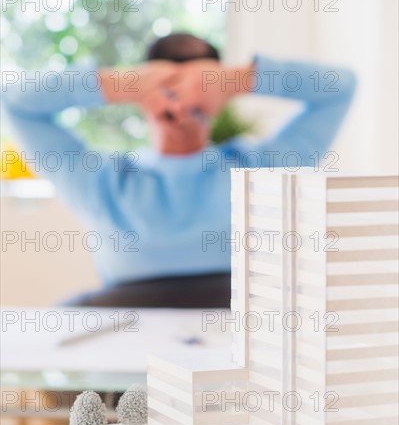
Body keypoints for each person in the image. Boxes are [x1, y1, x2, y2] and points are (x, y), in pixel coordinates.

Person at [2, 33, 356, 307]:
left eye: (199, 88)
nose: (182, 101)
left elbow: (340, 86)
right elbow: (16, 102)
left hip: (239, 335)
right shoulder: (101, 179)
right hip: (125, 337)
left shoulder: (259, 170)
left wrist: (238, 79)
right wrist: (120, 84)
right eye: (168, 87)